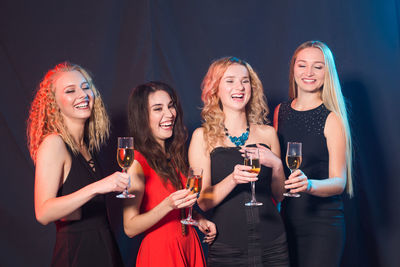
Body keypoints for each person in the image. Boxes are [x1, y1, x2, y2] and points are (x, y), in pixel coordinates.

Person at [189, 57, 289, 266]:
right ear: (215, 89)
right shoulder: (202, 137)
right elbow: (203, 201)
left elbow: (279, 195)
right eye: (230, 81)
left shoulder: (268, 134)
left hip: (273, 244)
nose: (239, 87)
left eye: (245, 81)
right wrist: (233, 179)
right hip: (228, 248)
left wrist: (278, 166)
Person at [27, 62, 127, 267]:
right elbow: (43, 213)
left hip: (104, 248)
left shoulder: (87, 146)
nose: (82, 94)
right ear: (54, 104)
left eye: (85, 87)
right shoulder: (54, 143)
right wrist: (99, 186)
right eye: (70, 90)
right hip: (77, 255)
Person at [274, 40, 353, 267]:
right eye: (302, 65)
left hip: (322, 224)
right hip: (286, 220)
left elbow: (339, 182)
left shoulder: (332, 118)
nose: (309, 73)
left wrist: (308, 185)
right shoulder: (282, 111)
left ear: (326, 72)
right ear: (293, 69)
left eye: (317, 67)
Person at [122, 81, 216, 267]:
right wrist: (167, 205)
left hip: (189, 245)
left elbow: (179, 208)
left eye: (171, 106)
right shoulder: (136, 163)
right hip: (161, 252)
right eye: (158, 109)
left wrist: (199, 219)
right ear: (142, 117)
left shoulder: (173, 155)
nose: (169, 114)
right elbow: (129, 227)